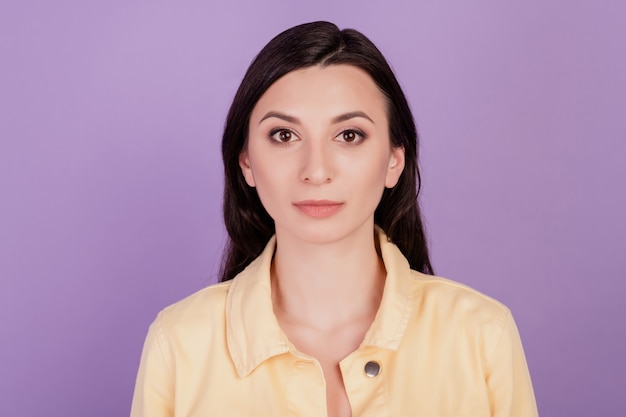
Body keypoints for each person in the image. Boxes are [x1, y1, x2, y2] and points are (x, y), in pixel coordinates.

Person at [130, 21, 538, 417]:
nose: (317, 170)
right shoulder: (179, 343)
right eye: (284, 136)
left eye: (349, 135)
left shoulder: (483, 336)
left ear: (395, 161)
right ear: (246, 163)